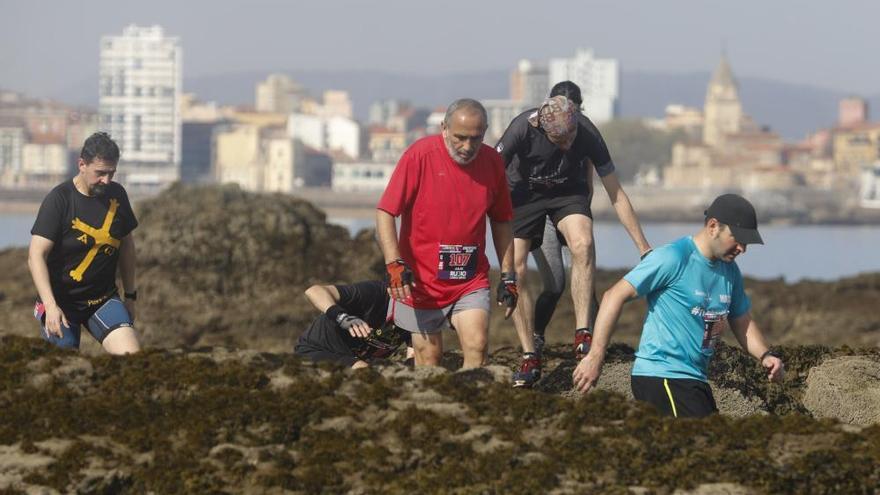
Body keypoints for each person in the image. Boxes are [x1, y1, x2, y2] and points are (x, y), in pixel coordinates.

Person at [496, 81, 651, 388]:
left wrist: (644, 247)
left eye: (572, 137)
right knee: (517, 271)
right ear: (542, 125)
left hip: (567, 194)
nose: (568, 145)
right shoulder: (520, 129)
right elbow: (486, 180)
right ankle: (530, 354)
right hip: (523, 195)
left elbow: (616, 194)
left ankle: (583, 334)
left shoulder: (587, 131)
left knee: (583, 242)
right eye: (560, 141)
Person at [573, 194, 785, 418]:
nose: (742, 248)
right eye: (737, 238)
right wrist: (595, 357)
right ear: (713, 226)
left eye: (747, 242)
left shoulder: (730, 272)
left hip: (695, 379)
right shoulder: (673, 257)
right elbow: (613, 296)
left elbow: (741, 321)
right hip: (662, 376)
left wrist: (765, 356)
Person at [376, 98, 517, 369]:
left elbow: (501, 221)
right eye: (460, 138)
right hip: (420, 283)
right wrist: (394, 263)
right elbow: (385, 212)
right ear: (444, 128)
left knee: (477, 346)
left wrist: (509, 275)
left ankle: (472, 406)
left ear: (485, 132)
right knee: (429, 360)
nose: (467, 147)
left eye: (475, 139)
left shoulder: (492, 162)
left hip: (470, 279)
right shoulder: (419, 156)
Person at [27, 132, 141, 354]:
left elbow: (126, 246)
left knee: (133, 360)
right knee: (66, 370)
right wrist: (50, 306)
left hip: (103, 300)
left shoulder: (117, 195)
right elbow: (35, 256)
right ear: (82, 164)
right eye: (100, 173)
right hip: (60, 303)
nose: (106, 181)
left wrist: (130, 296)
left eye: (111, 173)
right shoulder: (59, 199)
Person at [294, 280, 413, 368]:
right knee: (363, 369)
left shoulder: (422, 316)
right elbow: (314, 291)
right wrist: (342, 317)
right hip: (316, 352)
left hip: (357, 361)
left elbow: (415, 357)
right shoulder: (375, 293)